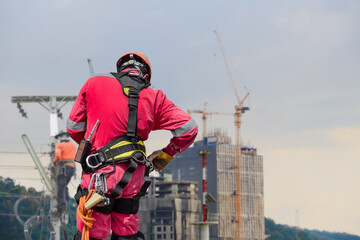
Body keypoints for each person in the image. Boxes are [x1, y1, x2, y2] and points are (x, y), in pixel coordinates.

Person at [67, 52, 198, 240]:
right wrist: (166, 154)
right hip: (133, 174)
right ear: (145, 76)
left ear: (120, 69)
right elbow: (189, 129)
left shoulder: (94, 83)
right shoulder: (155, 97)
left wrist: (93, 143)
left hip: (99, 173)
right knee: (126, 231)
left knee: (92, 233)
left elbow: (73, 127)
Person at [53, 131, 76, 216]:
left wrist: (54, 162)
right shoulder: (72, 145)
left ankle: (61, 206)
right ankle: (66, 198)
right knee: (64, 184)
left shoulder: (60, 145)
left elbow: (58, 156)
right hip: (72, 168)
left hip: (64, 167)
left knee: (60, 186)